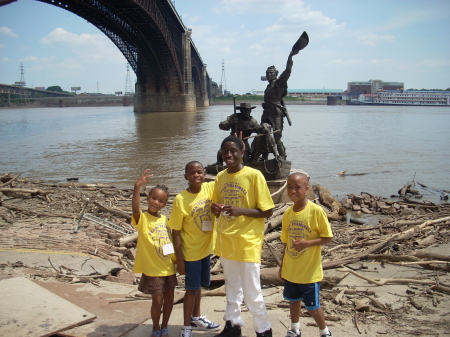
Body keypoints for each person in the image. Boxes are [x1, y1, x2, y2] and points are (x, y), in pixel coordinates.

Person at [211, 135, 275, 337]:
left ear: (242, 151)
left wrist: (241, 211)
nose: (228, 155)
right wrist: (215, 208)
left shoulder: (254, 175)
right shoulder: (220, 177)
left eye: (233, 151)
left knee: (252, 290)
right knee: (231, 285)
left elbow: (267, 211)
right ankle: (232, 324)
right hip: (226, 239)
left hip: (247, 240)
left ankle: (263, 329)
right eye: (225, 151)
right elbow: (217, 205)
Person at [278, 172, 334, 337]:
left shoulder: (316, 211)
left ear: (307, 189)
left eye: (297, 187)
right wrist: (282, 267)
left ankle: (325, 331)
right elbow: (285, 243)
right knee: (293, 301)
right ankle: (295, 329)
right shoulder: (288, 213)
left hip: (309, 272)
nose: (293, 191)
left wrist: (306, 244)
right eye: (289, 187)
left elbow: (328, 237)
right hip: (291, 270)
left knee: (312, 306)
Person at [168, 161, 221, 337]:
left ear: (204, 174)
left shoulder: (210, 189)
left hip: (205, 250)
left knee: (198, 286)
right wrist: (179, 260)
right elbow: (175, 232)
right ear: (186, 177)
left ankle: (196, 318)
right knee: (191, 289)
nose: (196, 175)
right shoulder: (181, 199)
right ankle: (186, 327)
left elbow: (229, 178)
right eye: (192, 173)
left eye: (199, 172)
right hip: (190, 252)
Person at [132, 169, 177, 337]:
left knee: (169, 298)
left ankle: (165, 325)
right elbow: (135, 209)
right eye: (153, 198)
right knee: (157, 301)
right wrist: (137, 186)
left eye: (161, 200)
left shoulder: (165, 220)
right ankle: (156, 326)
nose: (156, 202)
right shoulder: (142, 219)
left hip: (168, 267)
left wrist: (177, 261)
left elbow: (169, 242)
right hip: (153, 269)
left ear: (165, 204)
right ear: (147, 198)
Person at [261, 50, 299, 160]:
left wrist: (290, 57)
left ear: (276, 74)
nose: (268, 75)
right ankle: (264, 158)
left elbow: (288, 70)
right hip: (266, 112)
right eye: (267, 73)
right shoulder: (268, 87)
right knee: (263, 134)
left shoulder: (279, 83)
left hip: (276, 113)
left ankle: (282, 158)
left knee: (277, 137)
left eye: (271, 73)